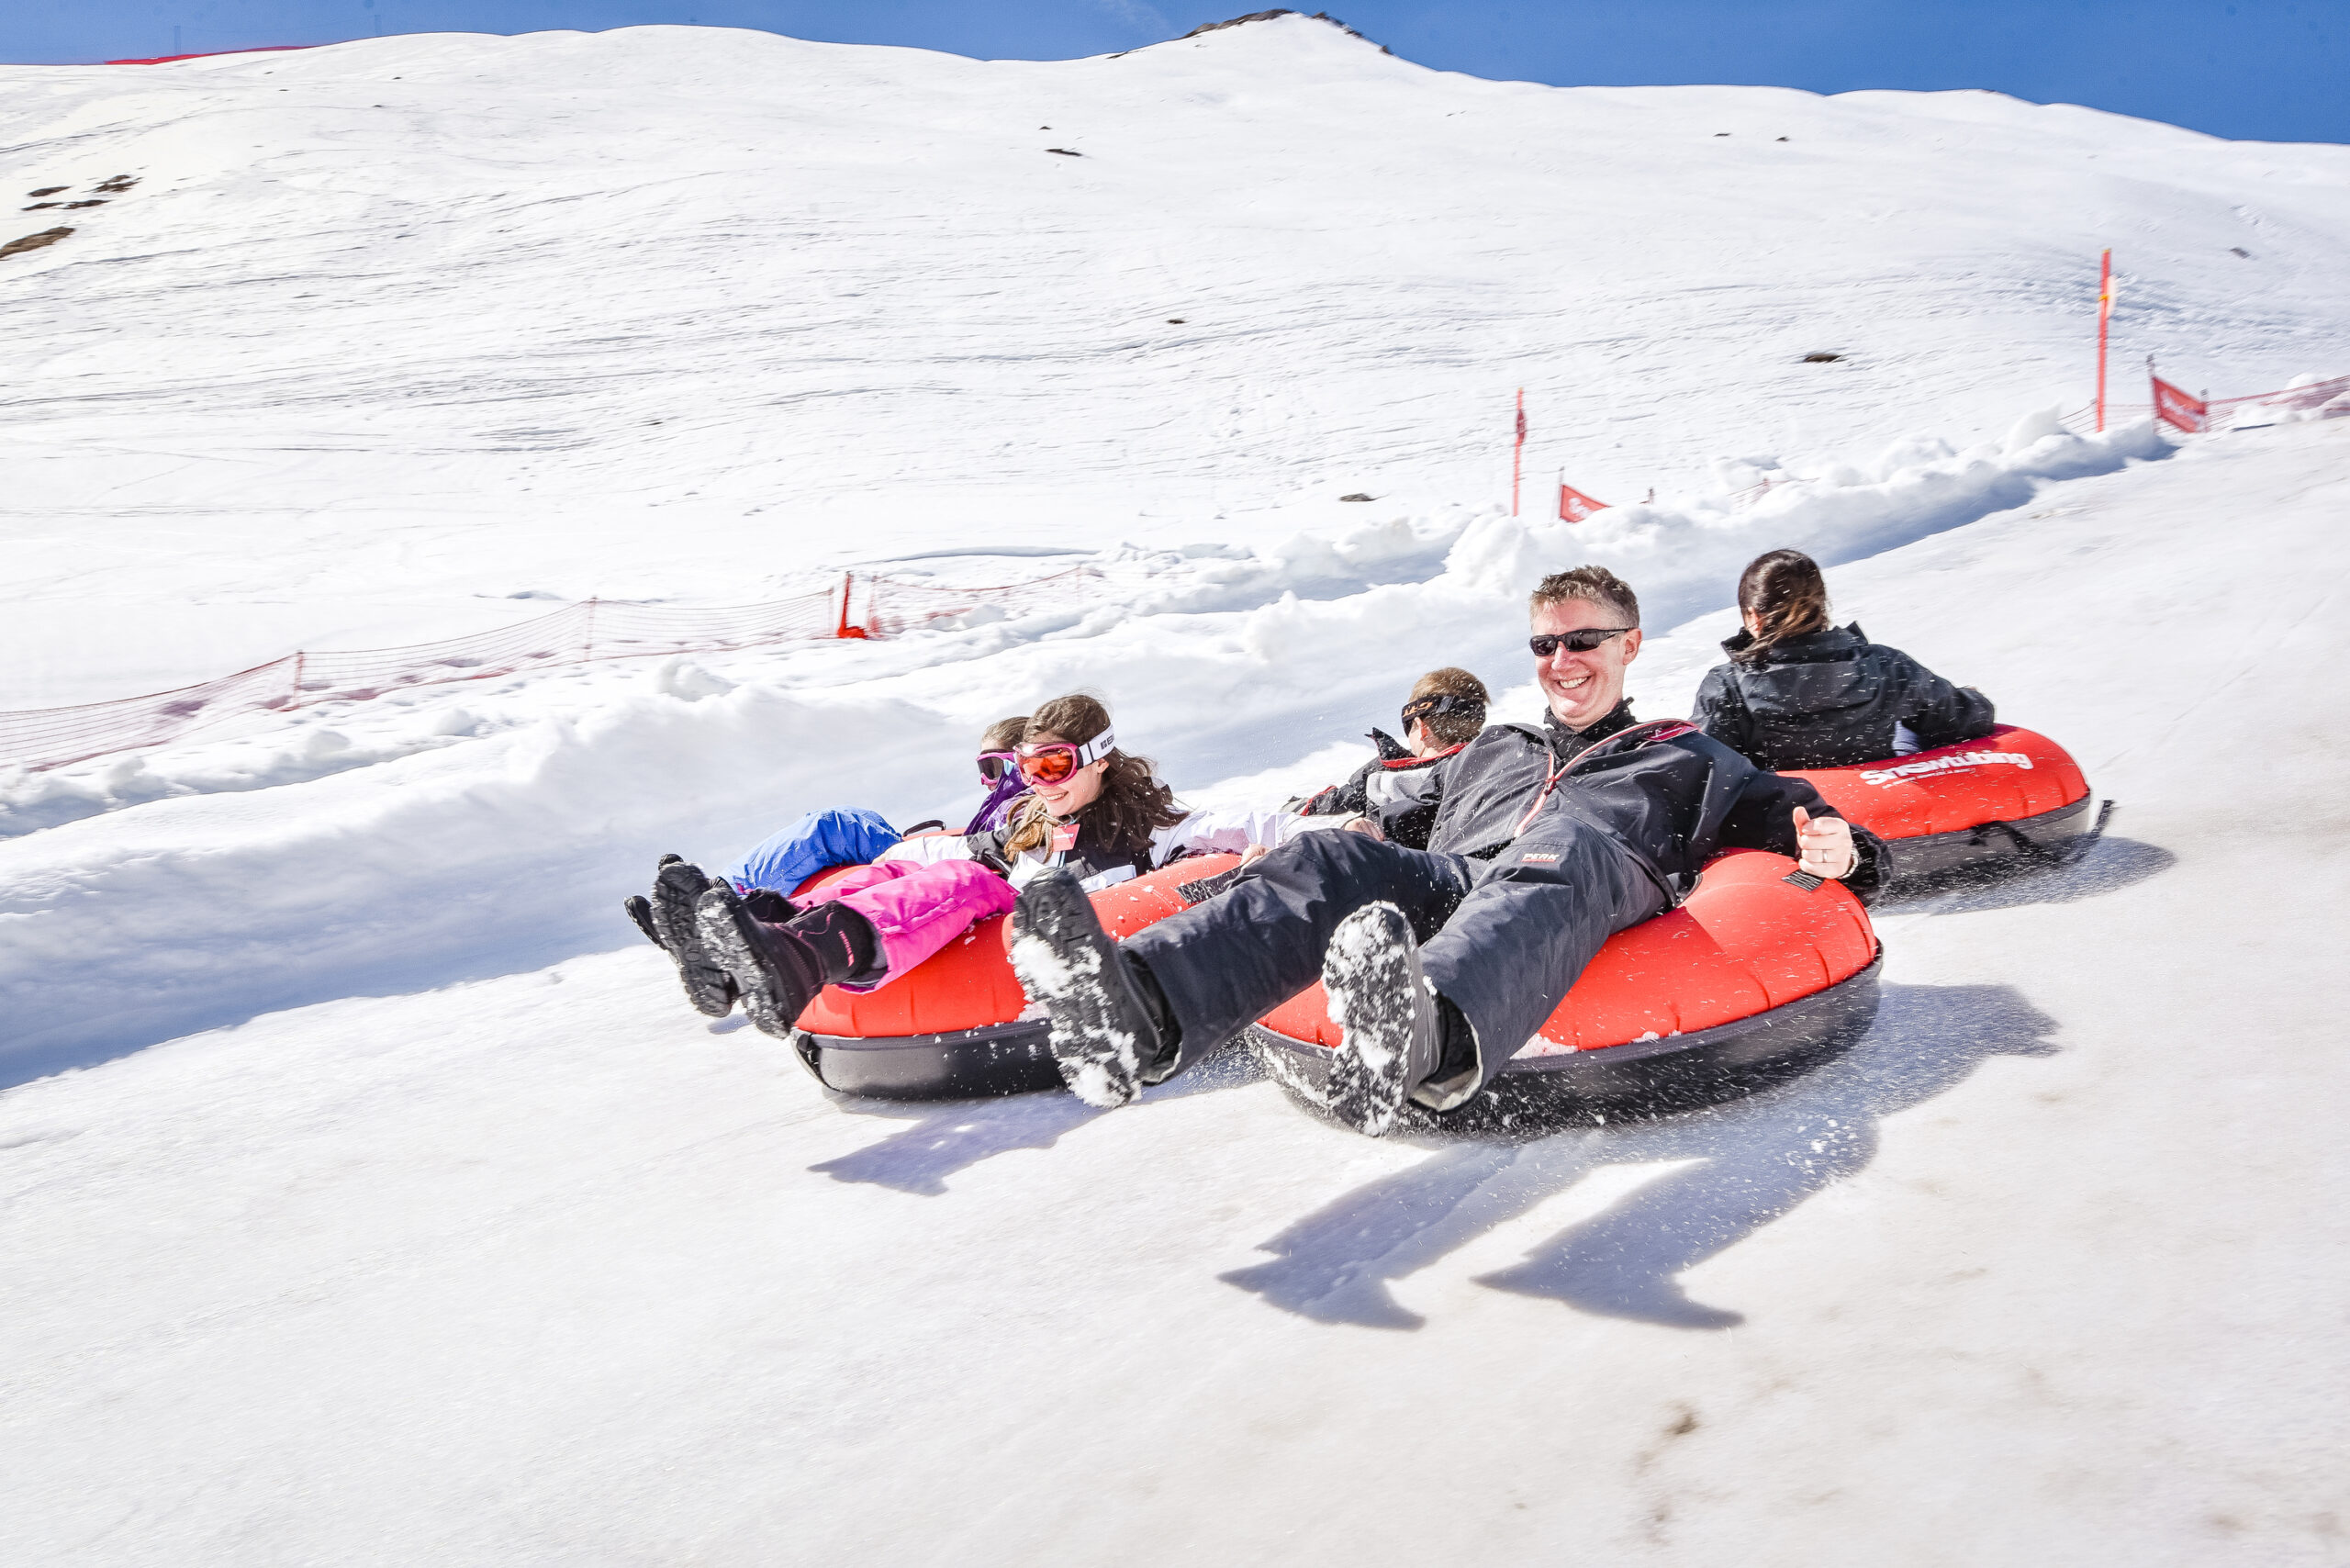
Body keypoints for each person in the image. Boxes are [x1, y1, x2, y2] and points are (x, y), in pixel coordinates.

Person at [1007, 566, 1886, 1134]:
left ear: (1629, 645)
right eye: (1546, 644)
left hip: (1599, 879)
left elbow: (1817, 832)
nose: (1563, 660)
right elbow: (1384, 793)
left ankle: (1432, 1039)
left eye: (1583, 640)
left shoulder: (1689, 755)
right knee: (1332, 860)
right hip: (1467, 880)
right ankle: (1141, 1011)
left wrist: (1847, 849)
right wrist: (1324, 815)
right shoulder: (1497, 747)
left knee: (1563, 844)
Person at [664, 694, 1372, 1040]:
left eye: (1056, 764)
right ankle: (755, 949)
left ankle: (811, 952)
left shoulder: (1152, 831)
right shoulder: (1028, 827)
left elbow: (1255, 822)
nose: (1041, 780)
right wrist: (884, 863)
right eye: (1030, 767)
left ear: (1098, 757)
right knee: (932, 866)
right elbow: (940, 854)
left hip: (1043, 953)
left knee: (973, 882)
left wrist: (1337, 827)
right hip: (977, 931)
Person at [625, 716, 1030, 1018]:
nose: (984, 781)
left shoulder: (1034, 804)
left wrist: (915, 850)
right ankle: (719, 911)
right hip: (939, 855)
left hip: (964, 870)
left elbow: (1002, 859)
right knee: (836, 821)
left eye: (992, 768)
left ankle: (745, 920)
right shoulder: (1008, 802)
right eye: (982, 770)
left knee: (837, 825)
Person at [1692, 549, 1997, 770]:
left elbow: (1706, 771)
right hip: (1890, 816)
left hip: (1793, 828)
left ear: (1753, 617)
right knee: (1909, 732)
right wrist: (1972, 698)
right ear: (1821, 607)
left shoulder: (1726, 688)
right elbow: (1963, 720)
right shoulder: (1885, 665)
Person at [1294, 667, 1491, 850]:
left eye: (1409, 728)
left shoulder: (1386, 775)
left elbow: (1340, 802)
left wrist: (1307, 811)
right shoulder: (1487, 765)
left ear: (1420, 726)